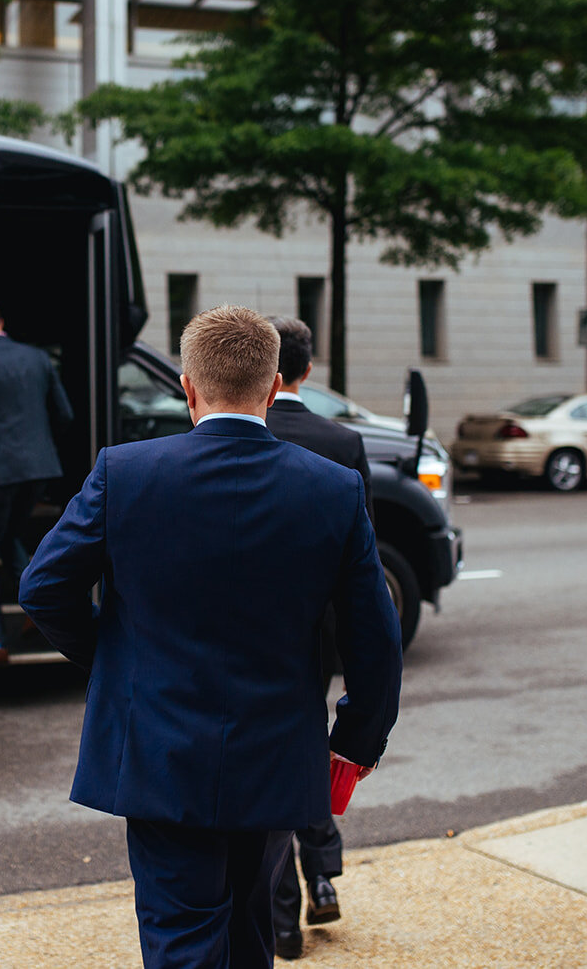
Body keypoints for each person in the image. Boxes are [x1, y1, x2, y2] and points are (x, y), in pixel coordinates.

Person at [20, 305, 403, 969]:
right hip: (277, 750)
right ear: (273, 383)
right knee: (251, 930)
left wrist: (113, 658)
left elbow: (44, 587)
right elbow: (375, 635)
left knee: (181, 935)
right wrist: (354, 743)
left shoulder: (126, 473)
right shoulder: (333, 489)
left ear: (189, 388)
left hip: (160, 748)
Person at [263, 315, 372, 960]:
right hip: (321, 631)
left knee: (275, 763)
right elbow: (360, 556)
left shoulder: (240, 432)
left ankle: (281, 921)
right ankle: (322, 871)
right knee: (306, 741)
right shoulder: (342, 441)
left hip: (254, 632)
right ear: (306, 371)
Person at [0, 299, 74, 664]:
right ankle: (38, 612)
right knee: (10, 539)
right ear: (1, 322)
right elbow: (65, 413)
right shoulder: (38, 358)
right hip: (39, 467)